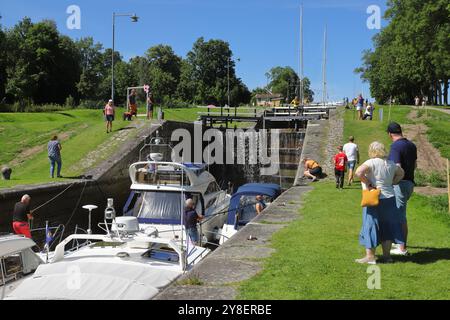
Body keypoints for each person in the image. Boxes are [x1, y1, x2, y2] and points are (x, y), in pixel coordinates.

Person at [355, 142, 405, 264]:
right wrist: (393, 182)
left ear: (371, 150)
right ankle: (387, 257)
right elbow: (401, 173)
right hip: (390, 197)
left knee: (370, 224)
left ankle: (370, 256)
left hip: (374, 197)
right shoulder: (391, 163)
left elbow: (358, 172)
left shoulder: (371, 162)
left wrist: (368, 183)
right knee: (387, 226)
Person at [387, 122, 417, 256]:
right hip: (410, 183)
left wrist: (391, 181)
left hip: (400, 183)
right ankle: (398, 242)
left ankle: (402, 248)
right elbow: (415, 165)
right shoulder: (412, 145)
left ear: (389, 134)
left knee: (400, 215)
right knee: (397, 213)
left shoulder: (395, 146)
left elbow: (397, 167)